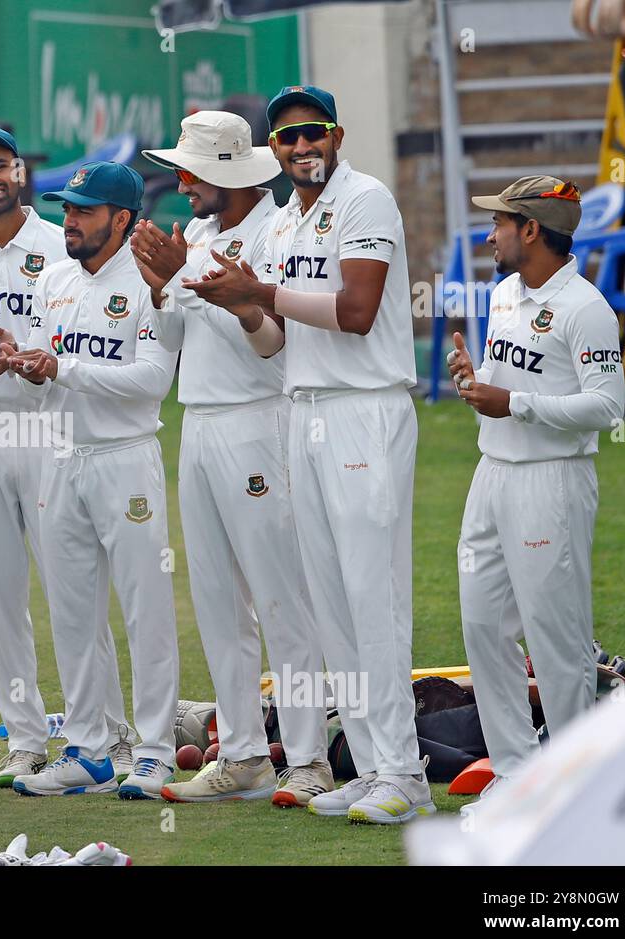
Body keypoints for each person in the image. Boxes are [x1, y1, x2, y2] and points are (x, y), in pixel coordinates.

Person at [183, 85, 433, 824]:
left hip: (364, 411)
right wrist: (240, 302)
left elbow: (356, 313)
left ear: (336, 134)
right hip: (306, 411)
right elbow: (282, 336)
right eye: (287, 138)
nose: (301, 147)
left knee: (372, 596)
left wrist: (258, 291)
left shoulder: (367, 199)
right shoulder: (290, 220)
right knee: (332, 606)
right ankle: (368, 763)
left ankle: (405, 774)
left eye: (312, 133)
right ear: (276, 149)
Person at [131, 111, 332, 807]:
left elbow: (273, 341)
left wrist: (232, 299)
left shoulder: (277, 233)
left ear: (225, 173)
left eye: (191, 172)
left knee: (283, 600)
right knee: (217, 599)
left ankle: (306, 758)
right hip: (201, 423)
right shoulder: (205, 235)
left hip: (258, 421)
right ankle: (243, 753)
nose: (181, 183)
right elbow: (172, 332)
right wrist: (162, 284)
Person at [0, 162, 180, 800]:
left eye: (84, 211)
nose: (69, 221)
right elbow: (45, 371)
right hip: (60, 458)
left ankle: (152, 755)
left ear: (122, 220)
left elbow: (153, 379)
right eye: (67, 209)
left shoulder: (149, 284)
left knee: (144, 607)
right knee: (72, 614)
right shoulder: (56, 280)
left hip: (125, 458)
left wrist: (62, 368)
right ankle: (90, 750)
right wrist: (15, 364)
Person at [0, 127, 134, 789]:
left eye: (1, 164)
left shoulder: (61, 244)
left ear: (19, 171)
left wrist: (42, 365)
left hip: (50, 427)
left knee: (72, 591)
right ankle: (25, 739)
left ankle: (107, 732)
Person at [449, 177, 624, 815]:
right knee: (481, 624)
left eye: (500, 222)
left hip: (552, 482)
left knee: (557, 638)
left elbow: (606, 406)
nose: (489, 233)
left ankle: (573, 794)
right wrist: (477, 383)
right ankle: (516, 778)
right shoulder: (501, 295)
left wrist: (513, 402)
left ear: (531, 230)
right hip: (491, 474)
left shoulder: (585, 307)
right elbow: (507, 386)